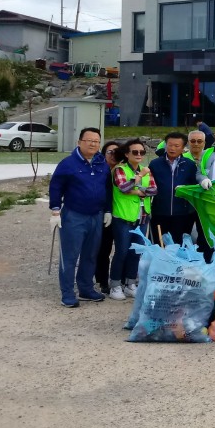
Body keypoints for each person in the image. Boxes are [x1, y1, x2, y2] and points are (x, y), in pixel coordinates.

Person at [48, 127, 110, 307]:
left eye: (97, 141)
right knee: (70, 255)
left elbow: (107, 188)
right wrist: (55, 209)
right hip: (74, 215)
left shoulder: (101, 163)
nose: (93, 144)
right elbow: (56, 186)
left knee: (91, 254)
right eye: (89, 140)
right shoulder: (68, 163)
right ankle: (67, 293)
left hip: (96, 215)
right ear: (79, 142)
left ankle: (85, 288)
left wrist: (107, 210)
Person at [109, 139, 156, 301]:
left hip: (142, 217)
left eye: (141, 152)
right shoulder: (120, 170)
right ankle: (115, 284)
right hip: (124, 217)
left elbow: (153, 190)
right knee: (121, 251)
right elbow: (123, 188)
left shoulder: (145, 169)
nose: (139, 155)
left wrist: (136, 189)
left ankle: (130, 283)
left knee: (136, 252)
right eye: (135, 152)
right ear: (127, 154)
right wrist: (139, 180)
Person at [148, 132, 198, 246]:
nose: (172, 148)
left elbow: (194, 187)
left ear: (183, 147)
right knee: (159, 245)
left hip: (181, 214)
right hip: (159, 213)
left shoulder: (189, 165)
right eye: (170, 145)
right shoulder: (155, 164)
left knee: (179, 246)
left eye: (177, 146)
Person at [94, 140, 120, 295]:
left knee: (122, 250)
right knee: (103, 249)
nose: (113, 155)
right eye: (110, 151)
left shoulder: (125, 170)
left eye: (116, 152)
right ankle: (102, 280)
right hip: (105, 215)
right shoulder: (99, 170)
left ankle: (121, 279)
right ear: (104, 153)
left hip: (123, 215)